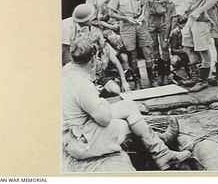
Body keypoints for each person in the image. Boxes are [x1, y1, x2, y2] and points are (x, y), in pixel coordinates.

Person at [62, 37, 192, 170]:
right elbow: (104, 120)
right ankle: (162, 151)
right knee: (128, 125)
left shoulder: (67, 70)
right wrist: (101, 100)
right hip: (82, 141)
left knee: (128, 105)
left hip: (77, 133)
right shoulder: (83, 86)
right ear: (93, 59)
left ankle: (161, 151)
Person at [174, 0, 218, 92]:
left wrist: (199, 11)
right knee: (187, 47)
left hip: (200, 20)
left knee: (203, 50)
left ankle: (202, 80)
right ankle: (195, 76)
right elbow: (190, 1)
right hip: (191, 20)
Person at [108, 0, 156, 89]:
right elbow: (111, 13)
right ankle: (137, 81)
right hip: (127, 26)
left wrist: (142, 16)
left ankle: (152, 79)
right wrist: (125, 18)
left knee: (147, 51)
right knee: (132, 54)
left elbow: (144, 5)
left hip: (140, 24)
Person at [145, 0, 176, 85]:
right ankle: (158, 73)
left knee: (164, 47)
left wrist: (166, 38)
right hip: (151, 24)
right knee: (154, 47)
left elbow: (169, 21)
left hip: (163, 24)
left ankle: (166, 73)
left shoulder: (169, 1)